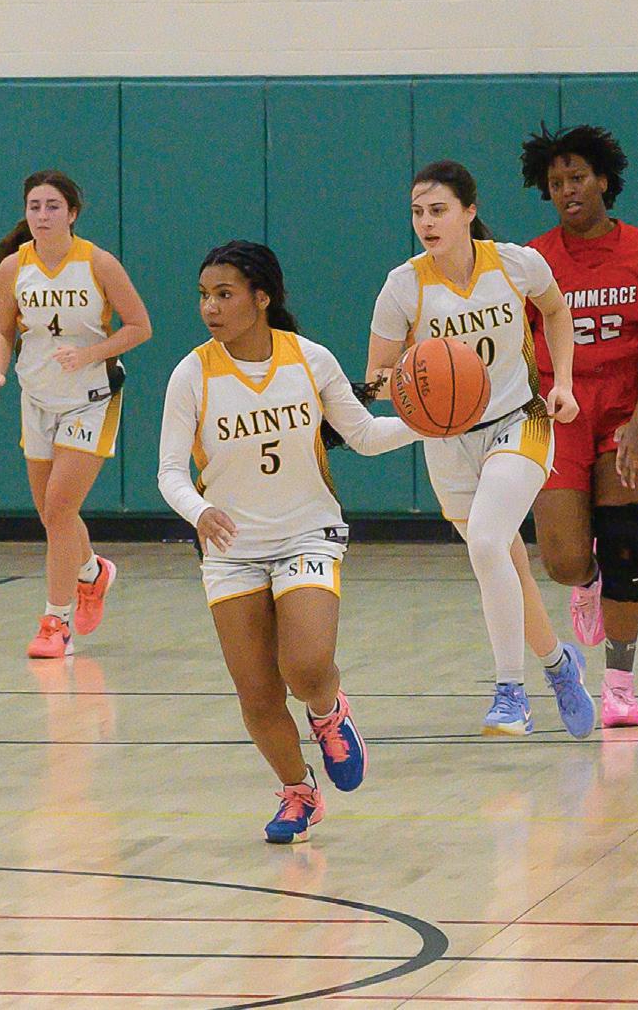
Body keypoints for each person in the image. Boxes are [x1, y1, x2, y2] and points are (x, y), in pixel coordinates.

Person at [158, 241, 418, 843]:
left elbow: (364, 435)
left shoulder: (310, 359)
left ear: (262, 297)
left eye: (224, 294)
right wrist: (200, 510)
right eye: (204, 295)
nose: (210, 307)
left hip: (306, 531)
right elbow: (170, 471)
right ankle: (299, 791)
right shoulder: (192, 373)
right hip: (232, 547)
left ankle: (328, 711)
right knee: (257, 694)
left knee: (305, 666)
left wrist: (428, 424)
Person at [366, 161, 595, 739]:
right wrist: (411, 381)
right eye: (418, 212)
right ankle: (559, 665)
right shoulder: (403, 286)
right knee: (504, 564)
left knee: (488, 543)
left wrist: (564, 382)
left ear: (469, 211)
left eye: (438, 210)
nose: (426, 222)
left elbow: (557, 310)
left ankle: (510, 692)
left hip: (520, 422)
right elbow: (377, 377)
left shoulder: (516, 264)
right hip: (448, 440)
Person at [518, 125, 638, 728]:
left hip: (625, 406)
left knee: (626, 543)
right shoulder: (533, 261)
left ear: (604, 180)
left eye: (577, 177)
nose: (567, 190)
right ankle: (585, 582)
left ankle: (619, 686)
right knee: (562, 560)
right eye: (556, 182)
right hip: (558, 406)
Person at [0, 170, 151, 659]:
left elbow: (140, 326)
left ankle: (55, 622)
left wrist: (90, 353)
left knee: (58, 509)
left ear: (72, 213)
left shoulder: (98, 263)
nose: (42, 215)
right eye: (34, 206)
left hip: (91, 397)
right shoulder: (13, 268)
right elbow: (3, 331)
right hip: (37, 396)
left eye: (53, 206)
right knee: (51, 514)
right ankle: (92, 572)